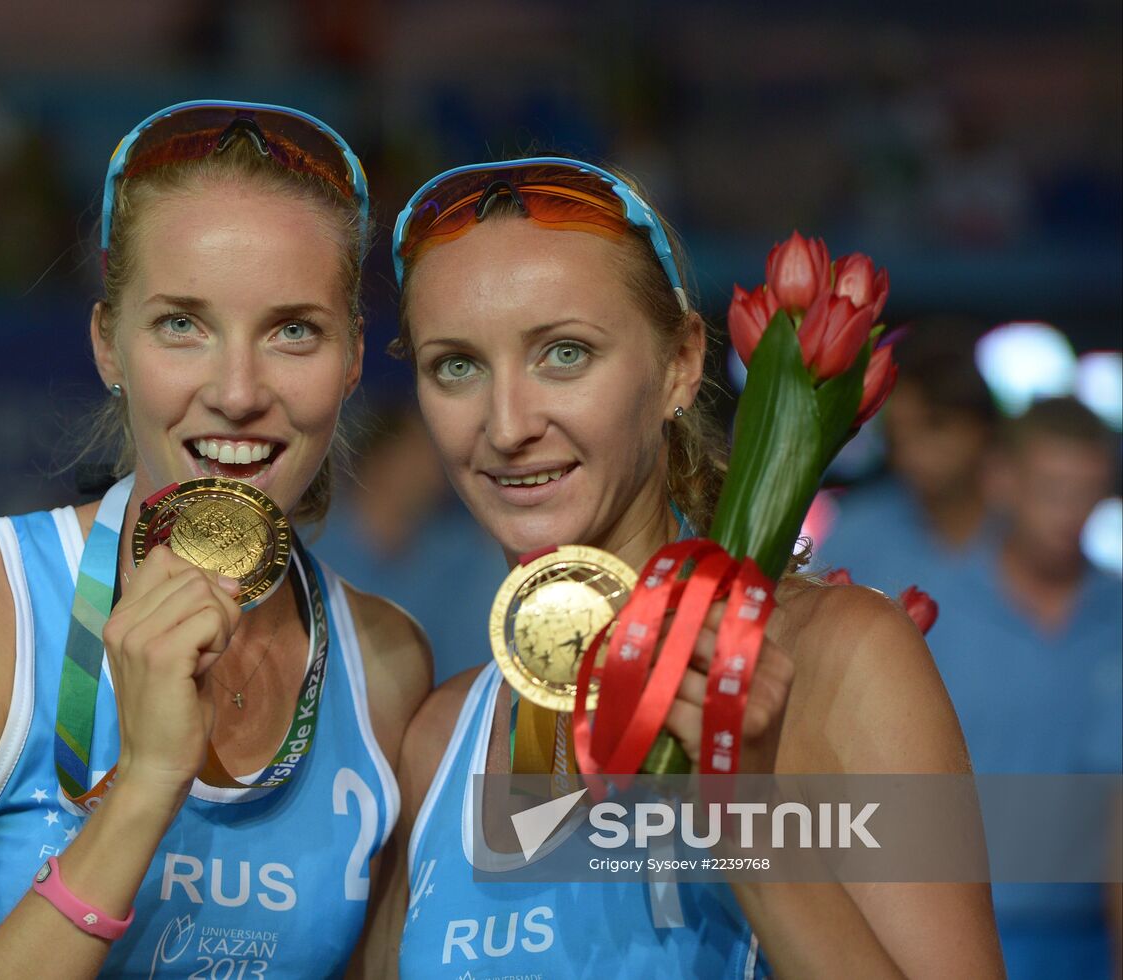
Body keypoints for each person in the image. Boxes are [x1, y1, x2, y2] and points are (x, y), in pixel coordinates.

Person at [0, 101, 431, 977]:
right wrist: (142, 789)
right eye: (183, 323)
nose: (239, 390)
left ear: (355, 359)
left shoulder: (388, 662)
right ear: (110, 346)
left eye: (295, 331)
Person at [372, 157, 1004, 976]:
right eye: (455, 366)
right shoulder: (436, 740)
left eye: (564, 353)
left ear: (680, 363)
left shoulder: (842, 659)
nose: (506, 423)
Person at [925, 396, 1122, 978]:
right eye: (1050, 488)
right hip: (961, 928)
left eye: (1086, 491)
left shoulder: (1117, 613)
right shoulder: (932, 613)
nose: (1069, 511)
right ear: (1002, 481)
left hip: (1090, 934)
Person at [312, 401, 510, 684]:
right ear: (379, 459)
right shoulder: (312, 541)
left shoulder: (456, 551)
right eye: (418, 455)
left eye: (437, 459)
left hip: (431, 710)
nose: (434, 473)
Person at [814, 316, 999, 595]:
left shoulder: (1031, 532)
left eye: (935, 424)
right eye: (897, 435)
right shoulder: (855, 538)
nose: (912, 451)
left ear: (982, 427)